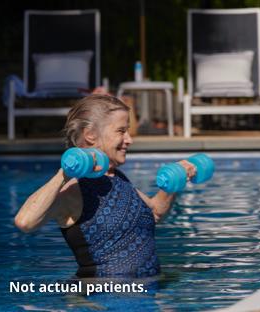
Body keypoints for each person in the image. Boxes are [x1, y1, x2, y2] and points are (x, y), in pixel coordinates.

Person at [14, 94, 196, 277]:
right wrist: (64, 174)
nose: (129, 139)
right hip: (102, 300)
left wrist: (174, 181)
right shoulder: (74, 189)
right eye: (121, 131)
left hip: (146, 295)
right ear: (90, 135)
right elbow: (25, 222)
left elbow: (155, 212)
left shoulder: (118, 179)